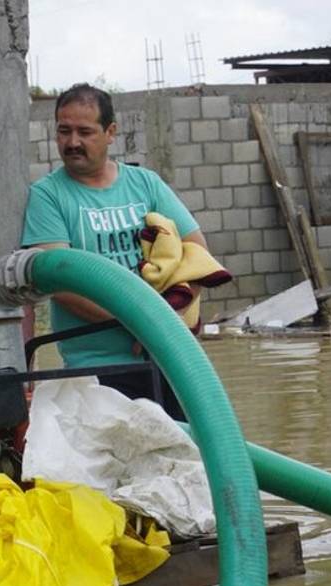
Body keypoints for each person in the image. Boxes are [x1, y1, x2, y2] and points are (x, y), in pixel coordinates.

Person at [21, 83, 211, 421]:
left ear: (110, 132)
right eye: (64, 131)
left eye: (84, 132)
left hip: (170, 359)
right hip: (97, 371)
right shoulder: (47, 196)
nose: (72, 142)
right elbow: (60, 283)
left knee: (193, 448)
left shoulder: (146, 184)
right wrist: (140, 325)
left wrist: (169, 320)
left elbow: (196, 254)